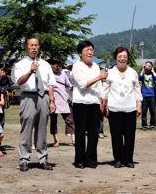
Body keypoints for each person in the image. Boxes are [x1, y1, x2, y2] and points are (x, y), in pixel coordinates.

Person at [14, 36, 56, 172]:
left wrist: (52, 101)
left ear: (39, 47)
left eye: (36, 45)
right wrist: (31, 71)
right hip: (28, 97)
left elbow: (50, 84)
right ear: (26, 48)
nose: (34, 48)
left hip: (43, 97)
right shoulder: (20, 64)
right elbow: (19, 82)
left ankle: (43, 159)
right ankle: (24, 160)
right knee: (27, 129)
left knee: (42, 130)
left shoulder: (45, 64)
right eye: (31, 45)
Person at [101, 47, 142, 168]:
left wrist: (139, 104)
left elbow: (137, 88)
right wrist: (104, 105)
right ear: (115, 58)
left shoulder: (133, 72)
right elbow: (105, 89)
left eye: (124, 57)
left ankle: (128, 159)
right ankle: (118, 159)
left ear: (128, 58)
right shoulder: (110, 72)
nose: (122, 59)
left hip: (130, 107)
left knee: (129, 135)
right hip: (114, 108)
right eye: (120, 57)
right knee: (116, 135)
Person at [72, 40, 108, 169]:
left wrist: (101, 102)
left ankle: (91, 159)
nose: (90, 52)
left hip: (93, 102)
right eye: (87, 50)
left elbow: (99, 87)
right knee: (80, 133)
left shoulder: (96, 66)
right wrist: (98, 77)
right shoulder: (77, 66)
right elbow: (82, 85)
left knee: (94, 133)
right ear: (80, 53)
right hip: (80, 103)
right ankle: (80, 160)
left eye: (91, 49)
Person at [47, 57, 75, 147]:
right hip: (53, 101)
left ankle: (74, 140)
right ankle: (56, 140)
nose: (58, 68)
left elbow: (68, 84)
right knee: (53, 122)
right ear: (51, 65)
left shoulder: (63, 74)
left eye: (59, 66)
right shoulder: (49, 75)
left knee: (69, 120)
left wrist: (72, 86)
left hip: (63, 100)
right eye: (56, 66)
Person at [139, 61, 156, 130]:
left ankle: (152, 125)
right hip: (144, 94)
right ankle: (144, 125)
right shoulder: (143, 73)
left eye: (149, 66)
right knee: (144, 111)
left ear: (151, 67)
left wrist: (153, 71)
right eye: (146, 66)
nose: (147, 67)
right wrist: (142, 69)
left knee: (152, 111)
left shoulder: (153, 74)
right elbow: (138, 78)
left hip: (152, 94)